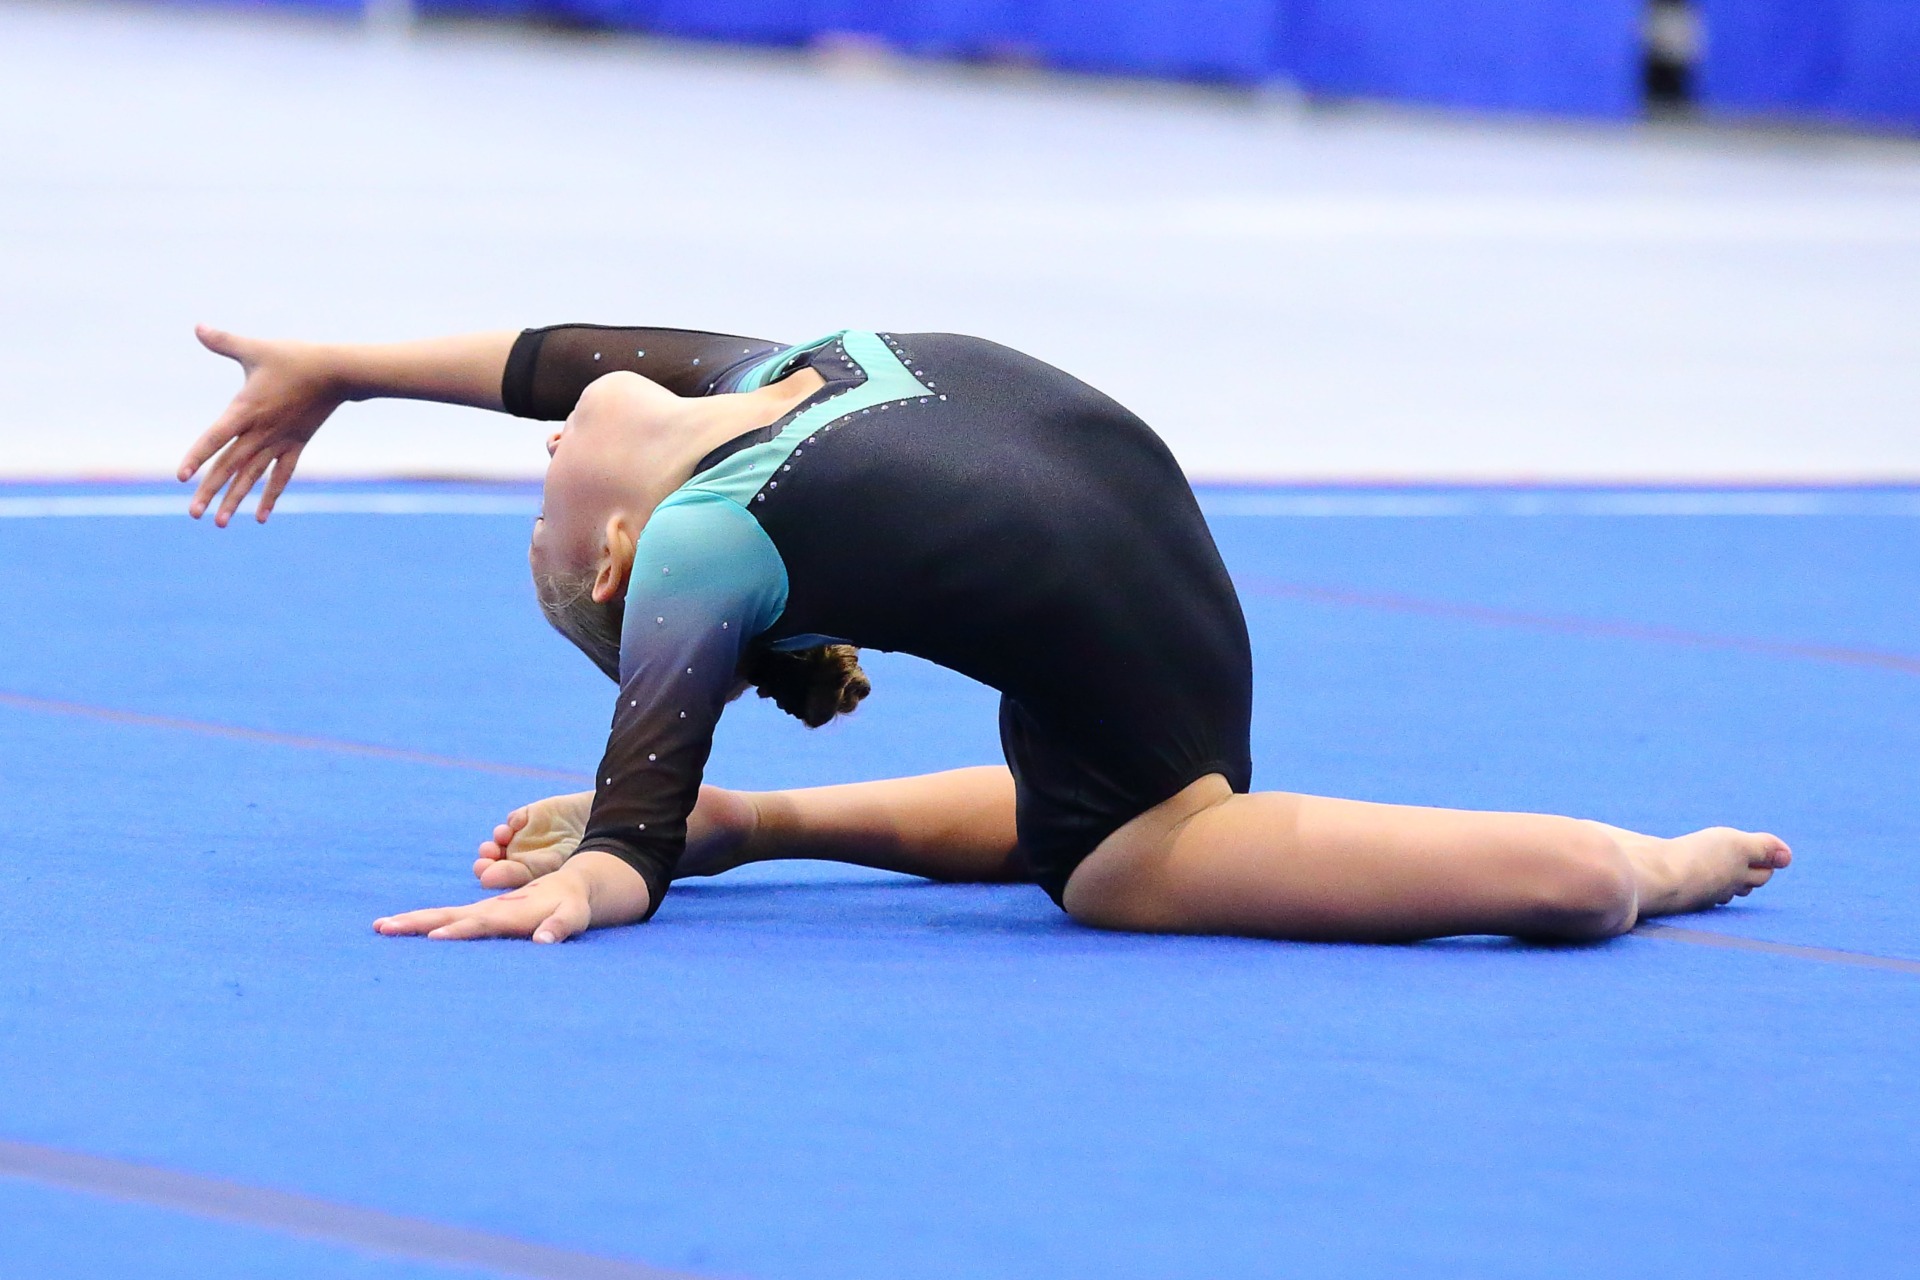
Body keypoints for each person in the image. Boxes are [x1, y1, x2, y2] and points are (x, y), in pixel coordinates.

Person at [180, 321, 1790, 946]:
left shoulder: (703, 503)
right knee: (1104, 822)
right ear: (616, 557)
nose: (536, 457)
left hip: (1136, 628)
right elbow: (639, 818)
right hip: (1153, 580)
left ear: (618, 562)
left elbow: (536, 359)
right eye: (534, 513)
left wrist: (338, 363)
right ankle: (775, 822)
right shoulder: (765, 387)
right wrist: (635, 849)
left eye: (531, 515)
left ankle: (1634, 864)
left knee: (1123, 867)